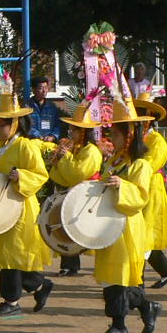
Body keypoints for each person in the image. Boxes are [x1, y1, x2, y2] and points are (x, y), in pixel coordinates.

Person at [0, 84, 54, 317]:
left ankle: (11, 302)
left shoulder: (26, 146)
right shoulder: (2, 147)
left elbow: (41, 174)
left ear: (13, 124)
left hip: (21, 207)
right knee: (8, 254)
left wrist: (21, 176)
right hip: (4, 206)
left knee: (12, 255)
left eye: (0, 123)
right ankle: (39, 285)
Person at [93, 98, 159, 333]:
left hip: (126, 226)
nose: (112, 140)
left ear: (129, 136)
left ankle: (119, 326)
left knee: (118, 276)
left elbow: (141, 196)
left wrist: (122, 186)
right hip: (110, 223)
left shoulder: (140, 164)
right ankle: (146, 305)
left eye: (116, 135)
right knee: (112, 274)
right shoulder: (115, 161)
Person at [46, 102, 103, 277]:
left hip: (87, 195)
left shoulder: (91, 151)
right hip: (75, 192)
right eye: (71, 130)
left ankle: (77, 264)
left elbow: (77, 174)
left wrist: (65, 158)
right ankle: (69, 264)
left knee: (85, 231)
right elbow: (64, 177)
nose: (71, 133)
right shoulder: (78, 149)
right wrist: (56, 162)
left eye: (75, 130)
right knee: (67, 227)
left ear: (84, 132)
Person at [135, 91, 167, 289]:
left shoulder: (157, 142)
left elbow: (148, 165)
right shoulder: (137, 139)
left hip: (152, 188)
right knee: (143, 232)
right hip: (137, 187)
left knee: (145, 233)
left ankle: (138, 282)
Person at [26, 78, 63, 143]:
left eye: (46, 88)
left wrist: (53, 136)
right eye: (41, 88)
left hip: (49, 143)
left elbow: (57, 125)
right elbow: (25, 125)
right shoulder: (27, 107)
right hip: (32, 143)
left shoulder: (52, 107)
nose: (44, 91)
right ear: (34, 90)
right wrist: (38, 136)